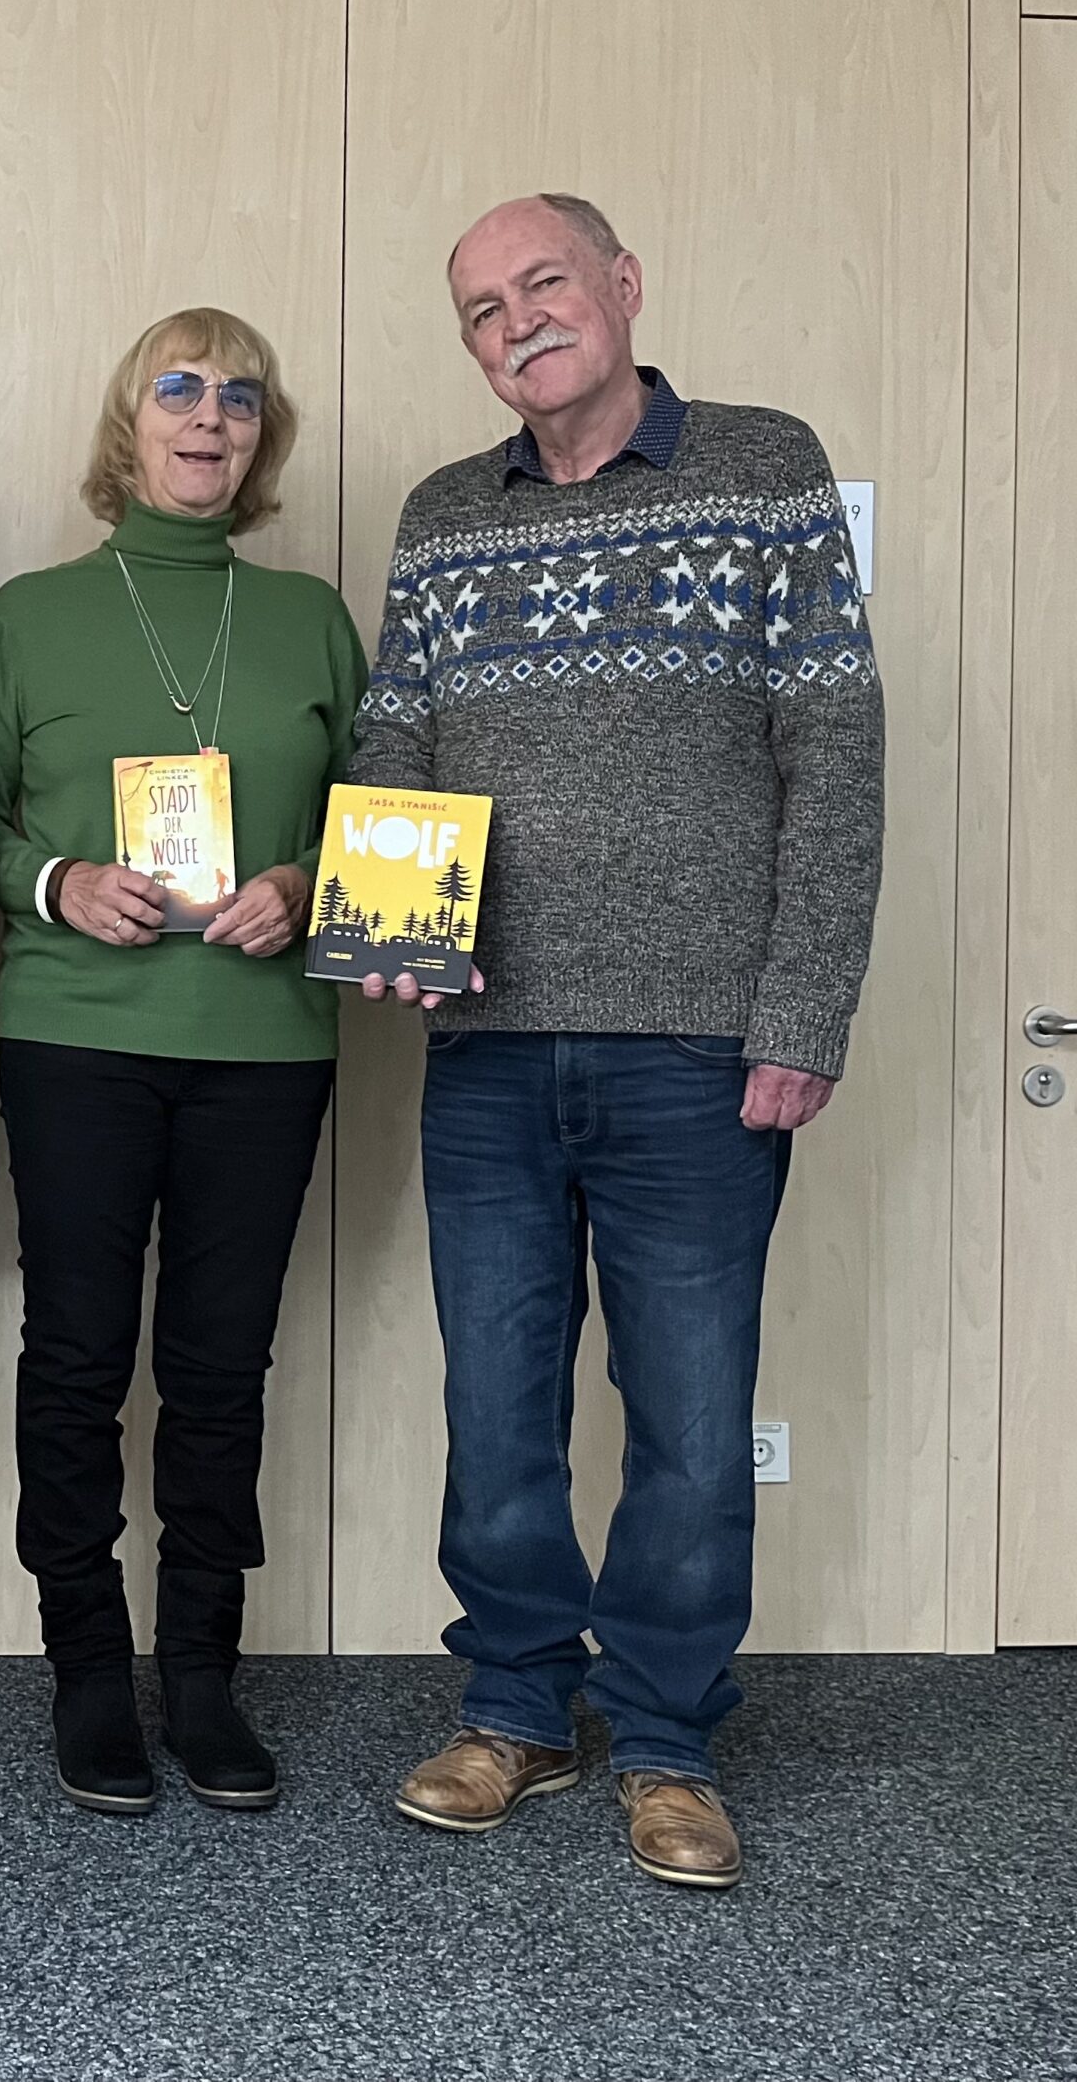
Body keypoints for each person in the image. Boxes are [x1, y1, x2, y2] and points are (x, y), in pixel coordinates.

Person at [359, 194, 882, 1889]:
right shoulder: (445, 516)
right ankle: (514, 1707)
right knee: (498, 1409)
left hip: (698, 1052)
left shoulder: (763, 467)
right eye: (480, 310)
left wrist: (800, 1017)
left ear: (623, 287)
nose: (516, 322)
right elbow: (399, 745)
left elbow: (838, 761)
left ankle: (664, 1740)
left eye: (543, 285)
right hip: (489, 1052)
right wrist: (388, 932)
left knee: (689, 1415)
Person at [0, 309, 369, 1815]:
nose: (211, 419)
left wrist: (313, 878)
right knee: (75, 1362)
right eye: (180, 392)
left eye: (242, 398)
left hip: (265, 1047)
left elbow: (385, 821)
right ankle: (87, 1670)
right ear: (127, 425)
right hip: (75, 1036)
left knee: (220, 1372)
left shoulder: (315, 620)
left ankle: (202, 1674)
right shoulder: (24, 616)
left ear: (264, 437)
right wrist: (59, 880)